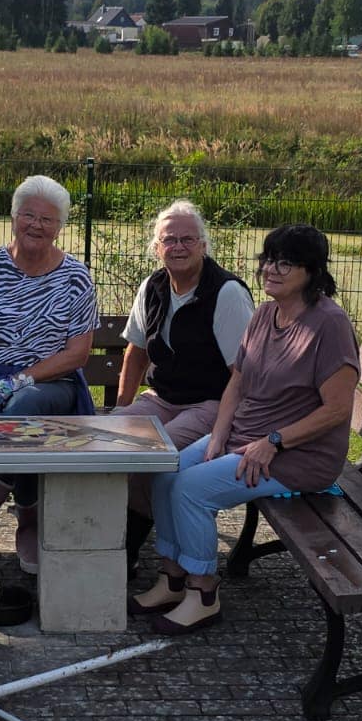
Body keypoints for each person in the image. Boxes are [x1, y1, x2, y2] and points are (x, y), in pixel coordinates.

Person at [131, 224, 359, 634]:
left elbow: (338, 410)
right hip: (245, 438)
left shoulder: (329, 324)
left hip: (298, 454)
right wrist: (217, 436)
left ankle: (203, 592)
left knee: (191, 489)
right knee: (166, 471)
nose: (270, 269)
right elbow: (237, 381)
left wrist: (275, 442)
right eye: (267, 259)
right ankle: (173, 578)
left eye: (285, 262)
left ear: (312, 270)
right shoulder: (266, 313)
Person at [0, 175, 99, 572]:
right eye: (28, 216)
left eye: (47, 220)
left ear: (60, 226)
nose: (36, 225)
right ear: (14, 216)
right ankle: (28, 524)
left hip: (54, 385)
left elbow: (78, 353)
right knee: (22, 417)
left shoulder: (76, 276)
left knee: (26, 406)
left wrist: (23, 378)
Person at [113, 200, 254, 571]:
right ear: (156, 248)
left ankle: (125, 552)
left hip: (211, 402)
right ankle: (94, 540)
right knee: (108, 442)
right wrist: (120, 410)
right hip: (162, 398)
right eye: (169, 239)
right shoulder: (152, 287)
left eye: (188, 239)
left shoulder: (227, 294)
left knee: (152, 453)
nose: (178, 247)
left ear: (204, 245)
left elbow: (243, 376)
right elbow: (136, 353)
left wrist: (225, 428)